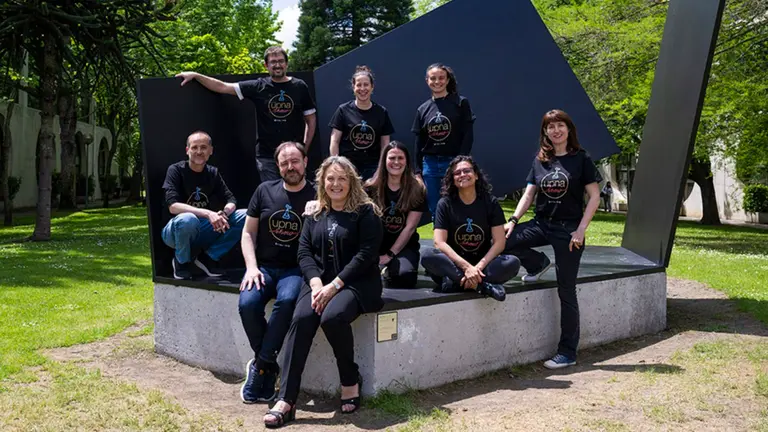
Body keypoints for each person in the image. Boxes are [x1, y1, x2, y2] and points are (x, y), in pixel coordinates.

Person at [263, 157, 382, 428]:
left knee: (332, 317)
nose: (335, 184)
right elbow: (303, 251)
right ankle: (286, 399)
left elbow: (366, 255)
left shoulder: (366, 212)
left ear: (351, 181)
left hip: (357, 283)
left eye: (342, 178)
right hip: (320, 282)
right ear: (322, 182)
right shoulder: (315, 212)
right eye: (330, 179)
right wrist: (316, 283)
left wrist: (334, 285)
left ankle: (350, 379)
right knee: (302, 319)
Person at [503, 109, 602, 370]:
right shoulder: (540, 161)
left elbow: (594, 197)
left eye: (560, 126)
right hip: (541, 224)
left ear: (569, 130)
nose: (555, 130)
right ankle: (536, 264)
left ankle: (567, 352)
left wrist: (581, 229)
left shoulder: (581, 159)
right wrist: (512, 220)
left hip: (569, 230)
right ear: (545, 132)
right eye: (550, 127)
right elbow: (528, 194)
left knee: (566, 290)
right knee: (504, 242)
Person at [238, 142, 316, 404]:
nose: (290, 167)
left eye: (295, 161)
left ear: (305, 161)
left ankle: (260, 366)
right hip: (264, 268)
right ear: (277, 166)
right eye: (284, 163)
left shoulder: (319, 195)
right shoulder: (264, 191)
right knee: (247, 303)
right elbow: (248, 233)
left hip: (296, 270)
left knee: (287, 301)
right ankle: (268, 365)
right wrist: (251, 267)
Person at [176, 46, 317, 182]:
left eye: (280, 61)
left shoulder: (300, 86)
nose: (277, 65)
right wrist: (196, 75)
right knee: (273, 197)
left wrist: (304, 147)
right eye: (273, 62)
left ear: (286, 63)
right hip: (267, 156)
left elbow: (310, 119)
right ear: (266, 65)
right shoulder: (258, 86)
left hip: (294, 155)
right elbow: (223, 87)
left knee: (297, 193)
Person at [420, 156, 520, 302]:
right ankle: (482, 287)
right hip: (453, 264)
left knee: (512, 262)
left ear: (476, 175)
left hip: (482, 266)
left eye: (467, 170)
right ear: (452, 179)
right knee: (428, 255)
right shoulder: (445, 204)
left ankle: (457, 282)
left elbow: (499, 242)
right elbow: (439, 243)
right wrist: (466, 268)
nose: (462, 175)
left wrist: (477, 268)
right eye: (457, 173)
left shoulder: (490, 202)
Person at [161, 131, 247, 280]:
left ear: (210, 151)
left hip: (203, 230)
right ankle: (181, 261)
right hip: (174, 232)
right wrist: (208, 213)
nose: (199, 152)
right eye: (194, 147)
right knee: (188, 219)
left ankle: (208, 258)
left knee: (246, 216)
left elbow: (231, 199)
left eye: (203, 147)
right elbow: (173, 206)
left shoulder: (213, 173)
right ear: (187, 150)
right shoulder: (175, 171)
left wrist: (224, 213)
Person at [411, 63, 476, 218]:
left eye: (441, 78)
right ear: (427, 81)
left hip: (453, 162)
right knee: (436, 210)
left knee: (458, 208)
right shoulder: (423, 109)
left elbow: (468, 135)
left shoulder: (460, 103)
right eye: (433, 78)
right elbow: (419, 142)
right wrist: (418, 171)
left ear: (447, 80)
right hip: (430, 165)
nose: (437, 82)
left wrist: (460, 162)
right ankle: (439, 242)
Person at [365, 141, 427, 288]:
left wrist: (390, 255)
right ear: (384, 160)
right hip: (376, 246)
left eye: (401, 158)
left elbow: (410, 228)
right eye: (392, 158)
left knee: (404, 277)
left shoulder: (417, 189)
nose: (396, 162)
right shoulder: (370, 188)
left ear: (407, 161)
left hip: (404, 246)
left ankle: (389, 270)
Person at [329, 66, 395, 179]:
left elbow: (385, 144)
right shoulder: (343, 110)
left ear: (372, 87)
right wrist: (336, 166)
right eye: (359, 85)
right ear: (353, 87)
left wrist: (379, 171)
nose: (362, 88)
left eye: (366, 84)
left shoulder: (381, 112)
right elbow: (334, 141)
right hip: (347, 167)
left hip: (372, 167)